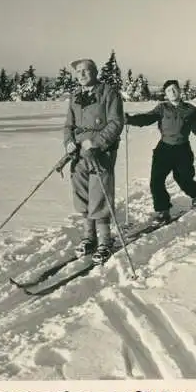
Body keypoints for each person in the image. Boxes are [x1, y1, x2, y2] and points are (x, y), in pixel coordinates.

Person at [64, 58, 124, 263]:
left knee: (100, 193)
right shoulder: (75, 95)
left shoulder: (108, 92)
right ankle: (89, 238)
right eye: (78, 71)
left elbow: (116, 122)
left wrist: (97, 142)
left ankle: (105, 241)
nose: (81, 74)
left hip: (101, 151)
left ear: (95, 72)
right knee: (81, 192)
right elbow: (68, 125)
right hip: (78, 152)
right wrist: (69, 142)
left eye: (85, 70)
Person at [125, 79, 196, 224]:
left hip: (183, 149)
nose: (172, 92)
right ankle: (163, 211)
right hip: (164, 149)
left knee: (184, 179)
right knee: (156, 181)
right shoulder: (162, 108)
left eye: (174, 89)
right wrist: (130, 120)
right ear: (166, 94)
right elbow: (147, 118)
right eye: (169, 91)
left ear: (179, 91)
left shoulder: (191, 109)